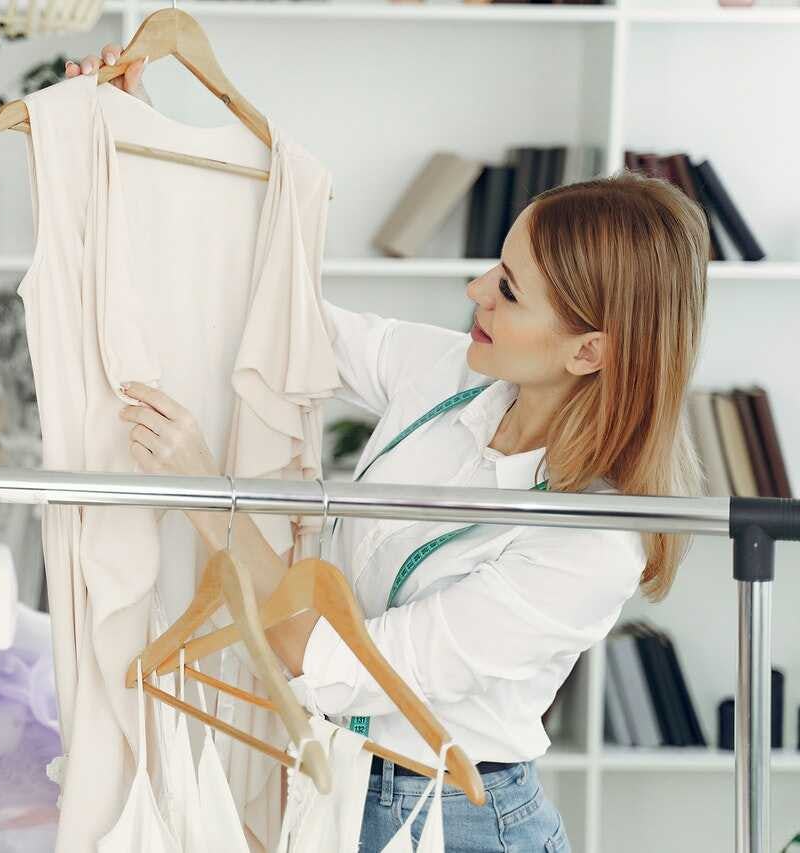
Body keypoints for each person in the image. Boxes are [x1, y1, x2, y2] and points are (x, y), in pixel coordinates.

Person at [65, 47, 709, 852]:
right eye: (495, 267)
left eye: (508, 289)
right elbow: (272, 314)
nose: (476, 290)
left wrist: (204, 490)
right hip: (336, 783)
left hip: (457, 818)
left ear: (590, 353)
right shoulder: (451, 373)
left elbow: (327, 655)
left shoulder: (591, 543)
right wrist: (137, 134)